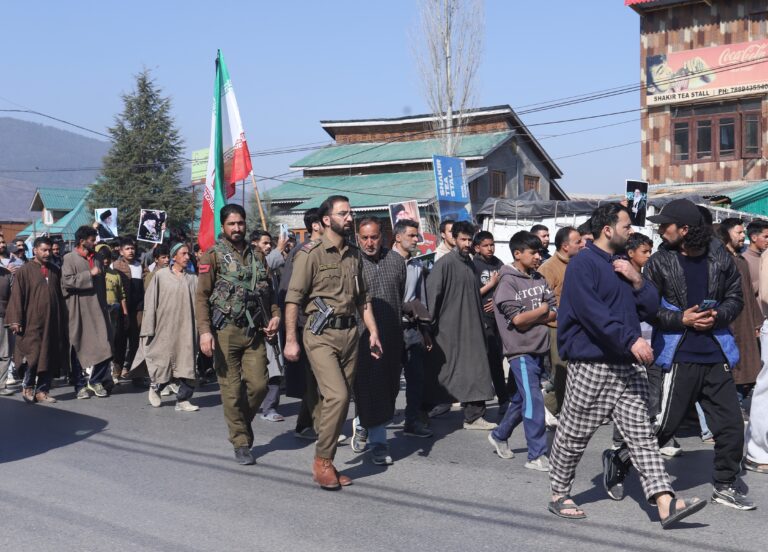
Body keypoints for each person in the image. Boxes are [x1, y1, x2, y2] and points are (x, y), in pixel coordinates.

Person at [548, 203, 705, 527]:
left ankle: (665, 501)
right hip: (593, 363)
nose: (631, 231)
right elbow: (592, 314)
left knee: (642, 434)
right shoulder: (583, 264)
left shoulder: (621, 263)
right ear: (608, 230)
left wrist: (637, 281)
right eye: (626, 226)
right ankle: (559, 493)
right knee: (574, 433)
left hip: (626, 365)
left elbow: (649, 308)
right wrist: (630, 340)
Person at [639, 199, 752, 510]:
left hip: (716, 354)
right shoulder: (659, 261)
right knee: (663, 427)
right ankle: (620, 460)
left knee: (731, 426)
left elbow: (735, 298)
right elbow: (647, 309)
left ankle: (725, 485)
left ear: (685, 229)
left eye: (666, 225)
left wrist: (718, 316)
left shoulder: (720, 256)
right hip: (677, 355)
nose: (660, 230)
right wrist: (682, 319)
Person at [284, 194, 382, 490]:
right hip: (320, 335)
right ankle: (322, 462)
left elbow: (363, 298)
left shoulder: (354, 254)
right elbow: (293, 299)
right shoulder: (310, 254)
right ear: (326, 220)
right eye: (343, 214)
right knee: (337, 396)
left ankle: (327, 459)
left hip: (350, 334)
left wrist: (373, 332)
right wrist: (291, 340)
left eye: (350, 213)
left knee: (339, 400)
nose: (349, 218)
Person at [196, 204, 281, 465]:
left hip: (254, 332)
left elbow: (269, 291)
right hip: (225, 332)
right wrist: (205, 332)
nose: (237, 228)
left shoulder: (258, 255)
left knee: (259, 385)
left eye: (240, 223)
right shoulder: (212, 256)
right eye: (231, 224)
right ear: (223, 226)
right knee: (231, 392)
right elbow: (202, 297)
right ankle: (241, 442)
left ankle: (241, 424)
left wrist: (275, 315)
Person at [488, 231, 556, 471]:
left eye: (540, 252)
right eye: (533, 252)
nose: (538, 256)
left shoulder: (539, 278)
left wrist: (537, 315)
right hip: (520, 351)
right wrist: (541, 312)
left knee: (521, 399)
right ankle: (536, 454)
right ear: (518, 254)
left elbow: (554, 311)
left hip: (539, 348)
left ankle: (499, 434)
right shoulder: (507, 282)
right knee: (534, 400)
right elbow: (518, 321)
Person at [426, 220, 496, 431]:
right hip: (450, 331)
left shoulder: (469, 263)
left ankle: (474, 416)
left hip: (472, 329)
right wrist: (428, 328)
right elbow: (432, 297)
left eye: (469, 239)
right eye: (463, 239)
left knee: (476, 371)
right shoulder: (445, 264)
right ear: (454, 239)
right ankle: (425, 411)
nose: (466, 243)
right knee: (446, 372)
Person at [350, 217, 406, 465]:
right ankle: (379, 444)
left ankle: (362, 423)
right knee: (371, 388)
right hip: (362, 337)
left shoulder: (396, 261)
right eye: (365, 238)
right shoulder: (352, 263)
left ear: (383, 237)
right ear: (357, 238)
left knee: (390, 387)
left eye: (374, 237)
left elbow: (400, 294)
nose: (369, 243)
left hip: (392, 335)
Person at [132, 243, 199, 412]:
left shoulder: (193, 278)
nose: (187, 257)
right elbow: (150, 302)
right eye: (183, 254)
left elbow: (200, 305)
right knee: (163, 362)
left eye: (188, 254)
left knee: (187, 364)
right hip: (164, 328)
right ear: (174, 257)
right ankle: (156, 387)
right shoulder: (160, 276)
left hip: (187, 329)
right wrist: (148, 327)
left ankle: (183, 400)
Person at [5, 237, 67, 404]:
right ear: (35, 250)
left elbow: (60, 296)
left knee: (49, 355)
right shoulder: (25, 270)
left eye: (49, 250)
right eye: (44, 250)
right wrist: (16, 320)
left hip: (51, 322)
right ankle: (28, 387)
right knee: (32, 355)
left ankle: (42, 391)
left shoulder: (55, 270)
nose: (47, 253)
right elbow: (17, 295)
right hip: (31, 322)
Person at [279, 209, 324, 440]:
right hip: (306, 323)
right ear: (315, 225)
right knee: (314, 377)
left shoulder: (327, 249)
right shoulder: (303, 251)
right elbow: (290, 291)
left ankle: (304, 425)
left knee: (316, 377)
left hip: (323, 323)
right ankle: (320, 427)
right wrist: (292, 331)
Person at [61, 225, 114, 399]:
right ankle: (79, 386)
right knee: (78, 346)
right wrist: (89, 274)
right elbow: (67, 282)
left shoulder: (98, 257)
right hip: (79, 308)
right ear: (82, 241)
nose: (95, 242)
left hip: (98, 308)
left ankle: (96, 380)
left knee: (106, 345)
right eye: (92, 240)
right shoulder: (69, 258)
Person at [392, 219, 433, 438]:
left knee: (416, 378)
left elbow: (420, 300)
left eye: (417, 235)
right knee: (389, 381)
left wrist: (425, 331)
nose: (416, 239)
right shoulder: (386, 262)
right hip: (391, 329)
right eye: (411, 235)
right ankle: (372, 425)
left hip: (412, 329)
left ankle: (412, 421)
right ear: (398, 237)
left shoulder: (417, 265)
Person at [716, 219, 762, 412]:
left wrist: (756, 322)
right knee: (734, 367)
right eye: (739, 232)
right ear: (727, 234)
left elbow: (749, 295)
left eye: (743, 232)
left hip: (746, 322)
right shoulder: (722, 260)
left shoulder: (741, 260)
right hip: (730, 322)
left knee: (748, 366)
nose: (743, 236)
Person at [537, 226, 583, 419]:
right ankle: (548, 408)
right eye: (578, 242)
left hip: (576, 327)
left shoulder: (578, 263)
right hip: (556, 328)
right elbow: (541, 301)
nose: (582, 244)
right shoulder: (548, 268)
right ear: (565, 246)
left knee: (574, 372)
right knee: (561, 372)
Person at [472, 230, 512, 419]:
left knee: (500, 359)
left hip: (498, 318)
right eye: (486, 245)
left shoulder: (498, 263)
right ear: (477, 248)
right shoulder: (473, 266)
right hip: (481, 320)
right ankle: (495, 400)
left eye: (492, 244)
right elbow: (470, 294)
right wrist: (490, 284)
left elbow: (507, 286)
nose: (490, 248)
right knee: (490, 361)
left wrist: (496, 298)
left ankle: (505, 399)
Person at [250, 229, 286, 423]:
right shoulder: (250, 264)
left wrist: (276, 316)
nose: (268, 246)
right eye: (265, 243)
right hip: (252, 327)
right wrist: (278, 249)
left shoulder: (269, 266)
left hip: (270, 323)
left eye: (270, 243)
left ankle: (270, 407)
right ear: (254, 244)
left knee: (275, 367)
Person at [113, 237, 145, 382]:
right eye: (127, 249)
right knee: (119, 340)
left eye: (132, 248)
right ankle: (117, 370)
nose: (130, 251)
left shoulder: (140, 266)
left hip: (137, 310)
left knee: (135, 342)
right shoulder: (115, 266)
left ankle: (135, 372)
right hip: (121, 310)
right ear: (121, 251)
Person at [0, 260, 13, 396]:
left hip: (3, 317)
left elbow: (13, 296)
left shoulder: (7, 275)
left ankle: (1, 385)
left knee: (4, 353)